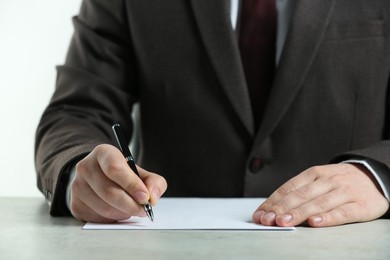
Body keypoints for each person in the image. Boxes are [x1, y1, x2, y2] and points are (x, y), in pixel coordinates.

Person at [35, 0, 390, 227]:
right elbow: (77, 110)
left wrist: (378, 174)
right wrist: (80, 172)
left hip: (349, 243)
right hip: (172, 249)